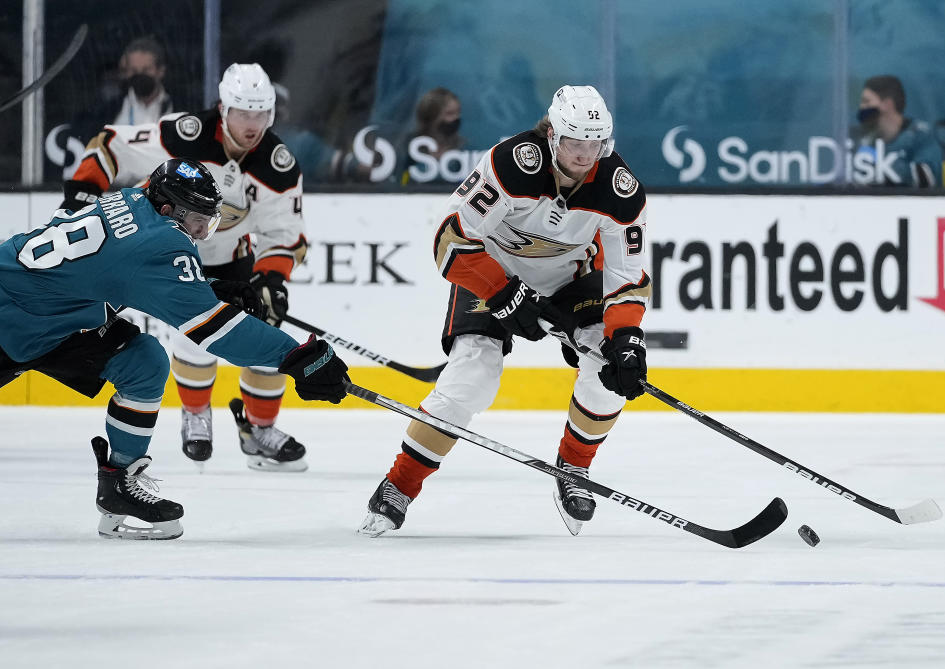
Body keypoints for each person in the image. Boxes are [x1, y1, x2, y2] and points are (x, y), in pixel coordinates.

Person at [0, 158, 349, 540]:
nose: (202, 231)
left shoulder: (131, 198)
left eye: (208, 219)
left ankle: (119, 486)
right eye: (198, 218)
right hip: (13, 318)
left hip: (51, 319)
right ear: (168, 209)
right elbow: (219, 333)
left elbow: (121, 267)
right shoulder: (163, 242)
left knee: (143, 363)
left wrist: (207, 286)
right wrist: (296, 357)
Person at [359, 85, 650, 537]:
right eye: (575, 142)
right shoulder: (512, 163)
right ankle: (399, 484)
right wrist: (504, 293)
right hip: (492, 269)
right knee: (472, 376)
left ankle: (573, 470)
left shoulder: (620, 190)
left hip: (570, 279)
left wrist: (628, 339)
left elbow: (627, 277)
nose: (584, 154)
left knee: (609, 367)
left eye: (595, 144)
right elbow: (449, 240)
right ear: (552, 134)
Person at [62, 63, 312, 473]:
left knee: (267, 336)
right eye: (243, 113)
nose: (253, 125)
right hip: (161, 251)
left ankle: (259, 429)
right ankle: (196, 414)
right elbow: (110, 145)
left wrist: (271, 279)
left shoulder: (277, 164)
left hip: (233, 259)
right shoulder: (184, 133)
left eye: (261, 114)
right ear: (223, 107)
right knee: (194, 337)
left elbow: (284, 234)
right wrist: (81, 196)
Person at [853, 75, 941, 188]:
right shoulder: (859, 138)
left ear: (887, 104)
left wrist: (882, 166)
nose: (861, 107)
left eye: (866, 101)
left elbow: (927, 178)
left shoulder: (922, 136)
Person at [398, 87, 466, 185]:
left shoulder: (464, 149)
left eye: (458, 112)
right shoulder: (410, 147)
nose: (456, 118)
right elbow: (400, 182)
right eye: (449, 113)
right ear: (432, 117)